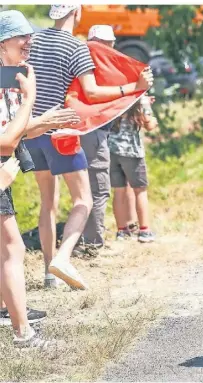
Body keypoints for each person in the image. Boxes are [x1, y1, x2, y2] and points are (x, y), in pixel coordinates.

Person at [24, 5, 153, 289]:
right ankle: (64, 257)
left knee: (48, 203)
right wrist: (132, 86)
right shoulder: (76, 48)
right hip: (61, 133)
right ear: (77, 12)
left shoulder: (33, 41)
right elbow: (92, 92)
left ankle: (49, 274)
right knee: (84, 199)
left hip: (31, 131)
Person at [0, 9, 79, 348]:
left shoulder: (8, 78)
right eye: (22, 37)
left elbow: (10, 132)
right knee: (12, 249)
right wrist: (31, 98)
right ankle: (23, 333)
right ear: (2, 42)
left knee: (7, 249)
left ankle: (13, 316)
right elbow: (5, 140)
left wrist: (44, 122)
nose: (29, 41)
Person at [73, 24, 117, 257]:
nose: (110, 47)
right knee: (98, 189)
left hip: (75, 130)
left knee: (81, 190)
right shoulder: (106, 67)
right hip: (92, 131)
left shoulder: (79, 61)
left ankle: (82, 239)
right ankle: (93, 244)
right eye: (108, 43)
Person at [108, 96, 157, 243]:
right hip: (132, 152)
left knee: (119, 191)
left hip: (111, 150)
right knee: (140, 190)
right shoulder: (140, 100)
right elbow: (149, 125)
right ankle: (144, 230)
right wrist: (147, 106)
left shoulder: (114, 97)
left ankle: (121, 231)